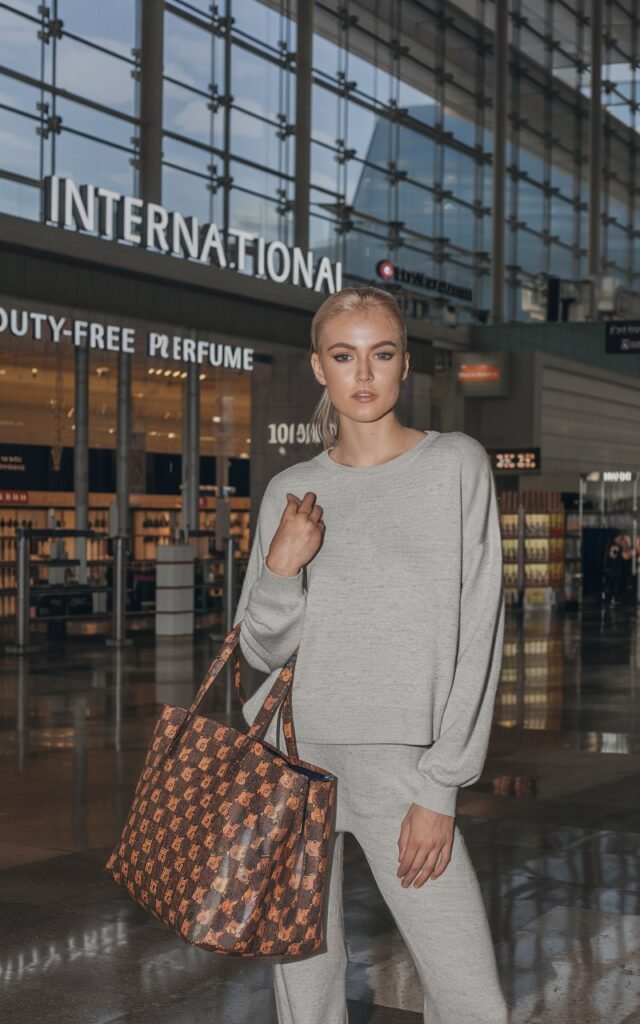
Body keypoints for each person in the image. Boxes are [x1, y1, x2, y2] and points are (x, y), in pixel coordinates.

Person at [232, 286, 508, 1024]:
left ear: (405, 365)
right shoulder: (291, 490)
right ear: (318, 367)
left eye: (381, 355)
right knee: (305, 989)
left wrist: (441, 785)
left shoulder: (455, 465)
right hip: (295, 762)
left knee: (468, 993)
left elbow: (480, 629)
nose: (363, 373)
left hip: (406, 769)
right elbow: (258, 648)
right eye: (344, 355)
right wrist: (284, 568)